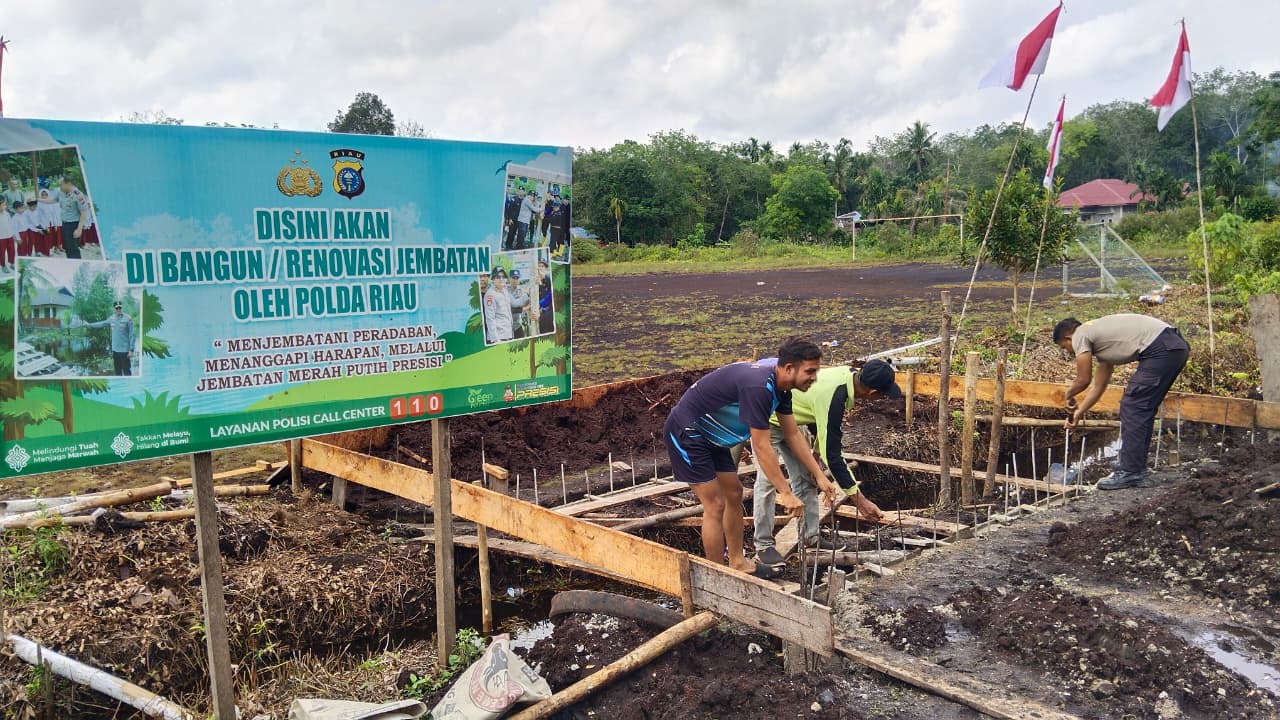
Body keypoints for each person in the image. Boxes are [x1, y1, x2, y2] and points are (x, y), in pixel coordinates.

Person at [664, 337, 832, 578]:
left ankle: (737, 562)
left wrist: (819, 475)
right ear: (789, 368)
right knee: (715, 504)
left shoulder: (782, 387)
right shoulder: (759, 388)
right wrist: (785, 492)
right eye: (810, 371)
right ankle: (717, 575)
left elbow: (793, 434)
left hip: (713, 436)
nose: (814, 378)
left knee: (734, 494)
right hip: (688, 431)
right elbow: (762, 447)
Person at [752, 360, 897, 565]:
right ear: (872, 393)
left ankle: (810, 537)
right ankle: (764, 544)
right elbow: (834, 457)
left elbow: (825, 424)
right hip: (768, 421)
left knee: (806, 477)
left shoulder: (849, 377)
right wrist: (860, 502)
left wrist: (815, 455)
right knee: (768, 481)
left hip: (793, 421)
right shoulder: (835, 394)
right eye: (883, 395)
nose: (882, 398)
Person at [1053, 314, 1189, 489]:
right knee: (1142, 407)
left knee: (1133, 405)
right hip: (1172, 347)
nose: (1069, 352)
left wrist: (1068, 395)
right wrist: (1080, 412)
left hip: (1161, 349)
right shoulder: (1100, 342)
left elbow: (1083, 379)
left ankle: (1131, 471)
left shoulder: (1080, 334)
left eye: (1065, 348)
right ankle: (1133, 465)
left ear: (1068, 338)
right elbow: (1099, 386)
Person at [87, 301, 137, 376]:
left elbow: (132, 335)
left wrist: (131, 350)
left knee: (127, 372)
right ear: (114, 309)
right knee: (118, 372)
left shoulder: (128, 318)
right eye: (117, 308)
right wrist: (89, 325)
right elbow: (101, 323)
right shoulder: (111, 318)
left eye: (120, 307)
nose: (118, 309)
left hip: (125, 351)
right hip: (115, 350)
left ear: (122, 307)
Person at [58, 176, 91, 259]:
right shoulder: (64, 193)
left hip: (73, 225)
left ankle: (77, 265)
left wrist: (79, 229)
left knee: (73, 249)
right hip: (65, 224)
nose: (60, 187)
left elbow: (84, 211)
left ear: (68, 184)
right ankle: (71, 264)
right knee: (68, 248)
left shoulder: (78, 195)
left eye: (61, 185)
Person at [482, 267, 516, 344]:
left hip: (508, 334)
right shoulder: (490, 295)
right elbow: (490, 318)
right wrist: (496, 339)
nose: (501, 279)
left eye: (503, 277)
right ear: (493, 279)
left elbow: (515, 303)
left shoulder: (505, 291)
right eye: (498, 277)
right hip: (499, 337)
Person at [508, 268, 531, 338]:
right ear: (509, 279)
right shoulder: (505, 291)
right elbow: (510, 309)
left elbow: (528, 302)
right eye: (513, 278)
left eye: (517, 278)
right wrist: (524, 308)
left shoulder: (521, 290)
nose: (515, 280)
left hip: (518, 325)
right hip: (507, 326)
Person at [536, 259, 554, 335]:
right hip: (540, 315)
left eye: (542, 266)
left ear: (545, 268)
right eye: (539, 266)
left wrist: (542, 280)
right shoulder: (534, 282)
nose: (540, 268)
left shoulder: (549, 279)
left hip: (550, 314)